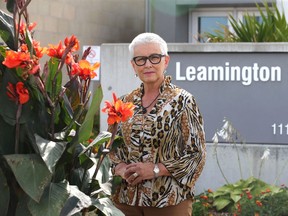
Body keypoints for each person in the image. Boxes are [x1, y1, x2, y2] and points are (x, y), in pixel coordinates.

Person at [109, 32, 206, 216]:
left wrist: (155, 169)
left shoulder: (183, 101)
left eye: (154, 57)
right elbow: (109, 148)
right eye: (140, 59)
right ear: (133, 65)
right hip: (125, 201)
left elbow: (196, 155)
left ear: (166, 61)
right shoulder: (124, 102)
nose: (147, 64)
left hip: (168, 201)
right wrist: (120, 169)